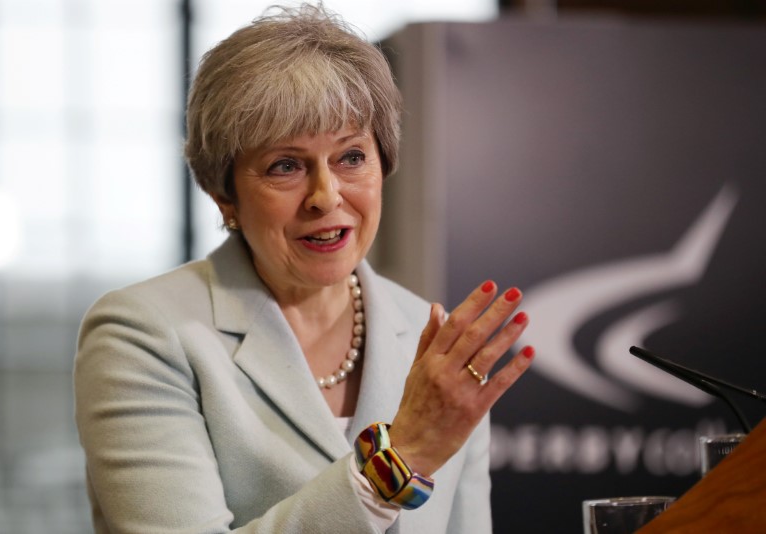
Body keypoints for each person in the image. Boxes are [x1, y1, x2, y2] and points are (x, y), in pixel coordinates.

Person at [74, 4, 535, 533]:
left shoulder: (436, 349)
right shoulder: (142, 334)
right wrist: (397, 461)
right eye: (285, 166)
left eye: (351, 157)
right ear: (223, 195)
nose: (325, 195)